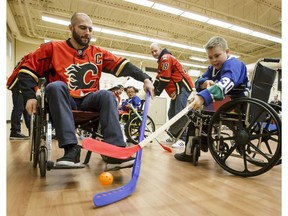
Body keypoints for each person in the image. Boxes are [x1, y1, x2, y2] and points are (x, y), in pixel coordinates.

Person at [17, 12, 154, 170]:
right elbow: (26, 71)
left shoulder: (98, 53)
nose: (87, 32)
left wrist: (145, 78)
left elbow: (124, 65)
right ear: (71, 27)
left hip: (89, 101)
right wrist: (29, 96)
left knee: (108, 95)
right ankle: (71, 149)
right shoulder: (53, 48)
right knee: (54, 86)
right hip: (64, 100)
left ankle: (115, 151)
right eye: (82, 28)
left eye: (90, 29)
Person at [174, 36, 250, 162]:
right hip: (223, 103)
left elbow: (226, 83)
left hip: (237, 103)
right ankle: (203, 141)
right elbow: (198, 81)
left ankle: (195, 147)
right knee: (196, 113)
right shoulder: (212, 69)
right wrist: (205, 83)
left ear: (227, 52)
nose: (214, 60)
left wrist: (204, 97)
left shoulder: (234, 64)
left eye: (217, 55)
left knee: (195, 114)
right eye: (210, 57)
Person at [150, 42, 194, 148]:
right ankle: (173, 136)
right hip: (177, 89)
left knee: (179, 113)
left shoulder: (166, 57)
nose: (154, 53)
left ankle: (183, 139)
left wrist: (156, 92)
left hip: (182, 87)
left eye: (155, 50)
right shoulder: (161, 61)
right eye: (152, 52)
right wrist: (152, 88)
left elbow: (165, 77)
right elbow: (158, 78)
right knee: (171, 114)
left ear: (161, 49)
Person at [7, 54, 31, 140]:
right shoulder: (30, 58)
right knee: (18, 108)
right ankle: (14, 131)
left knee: (26, 110)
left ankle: (32, 131)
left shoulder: (28, 57)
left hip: (21, 85)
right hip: (19, 85)